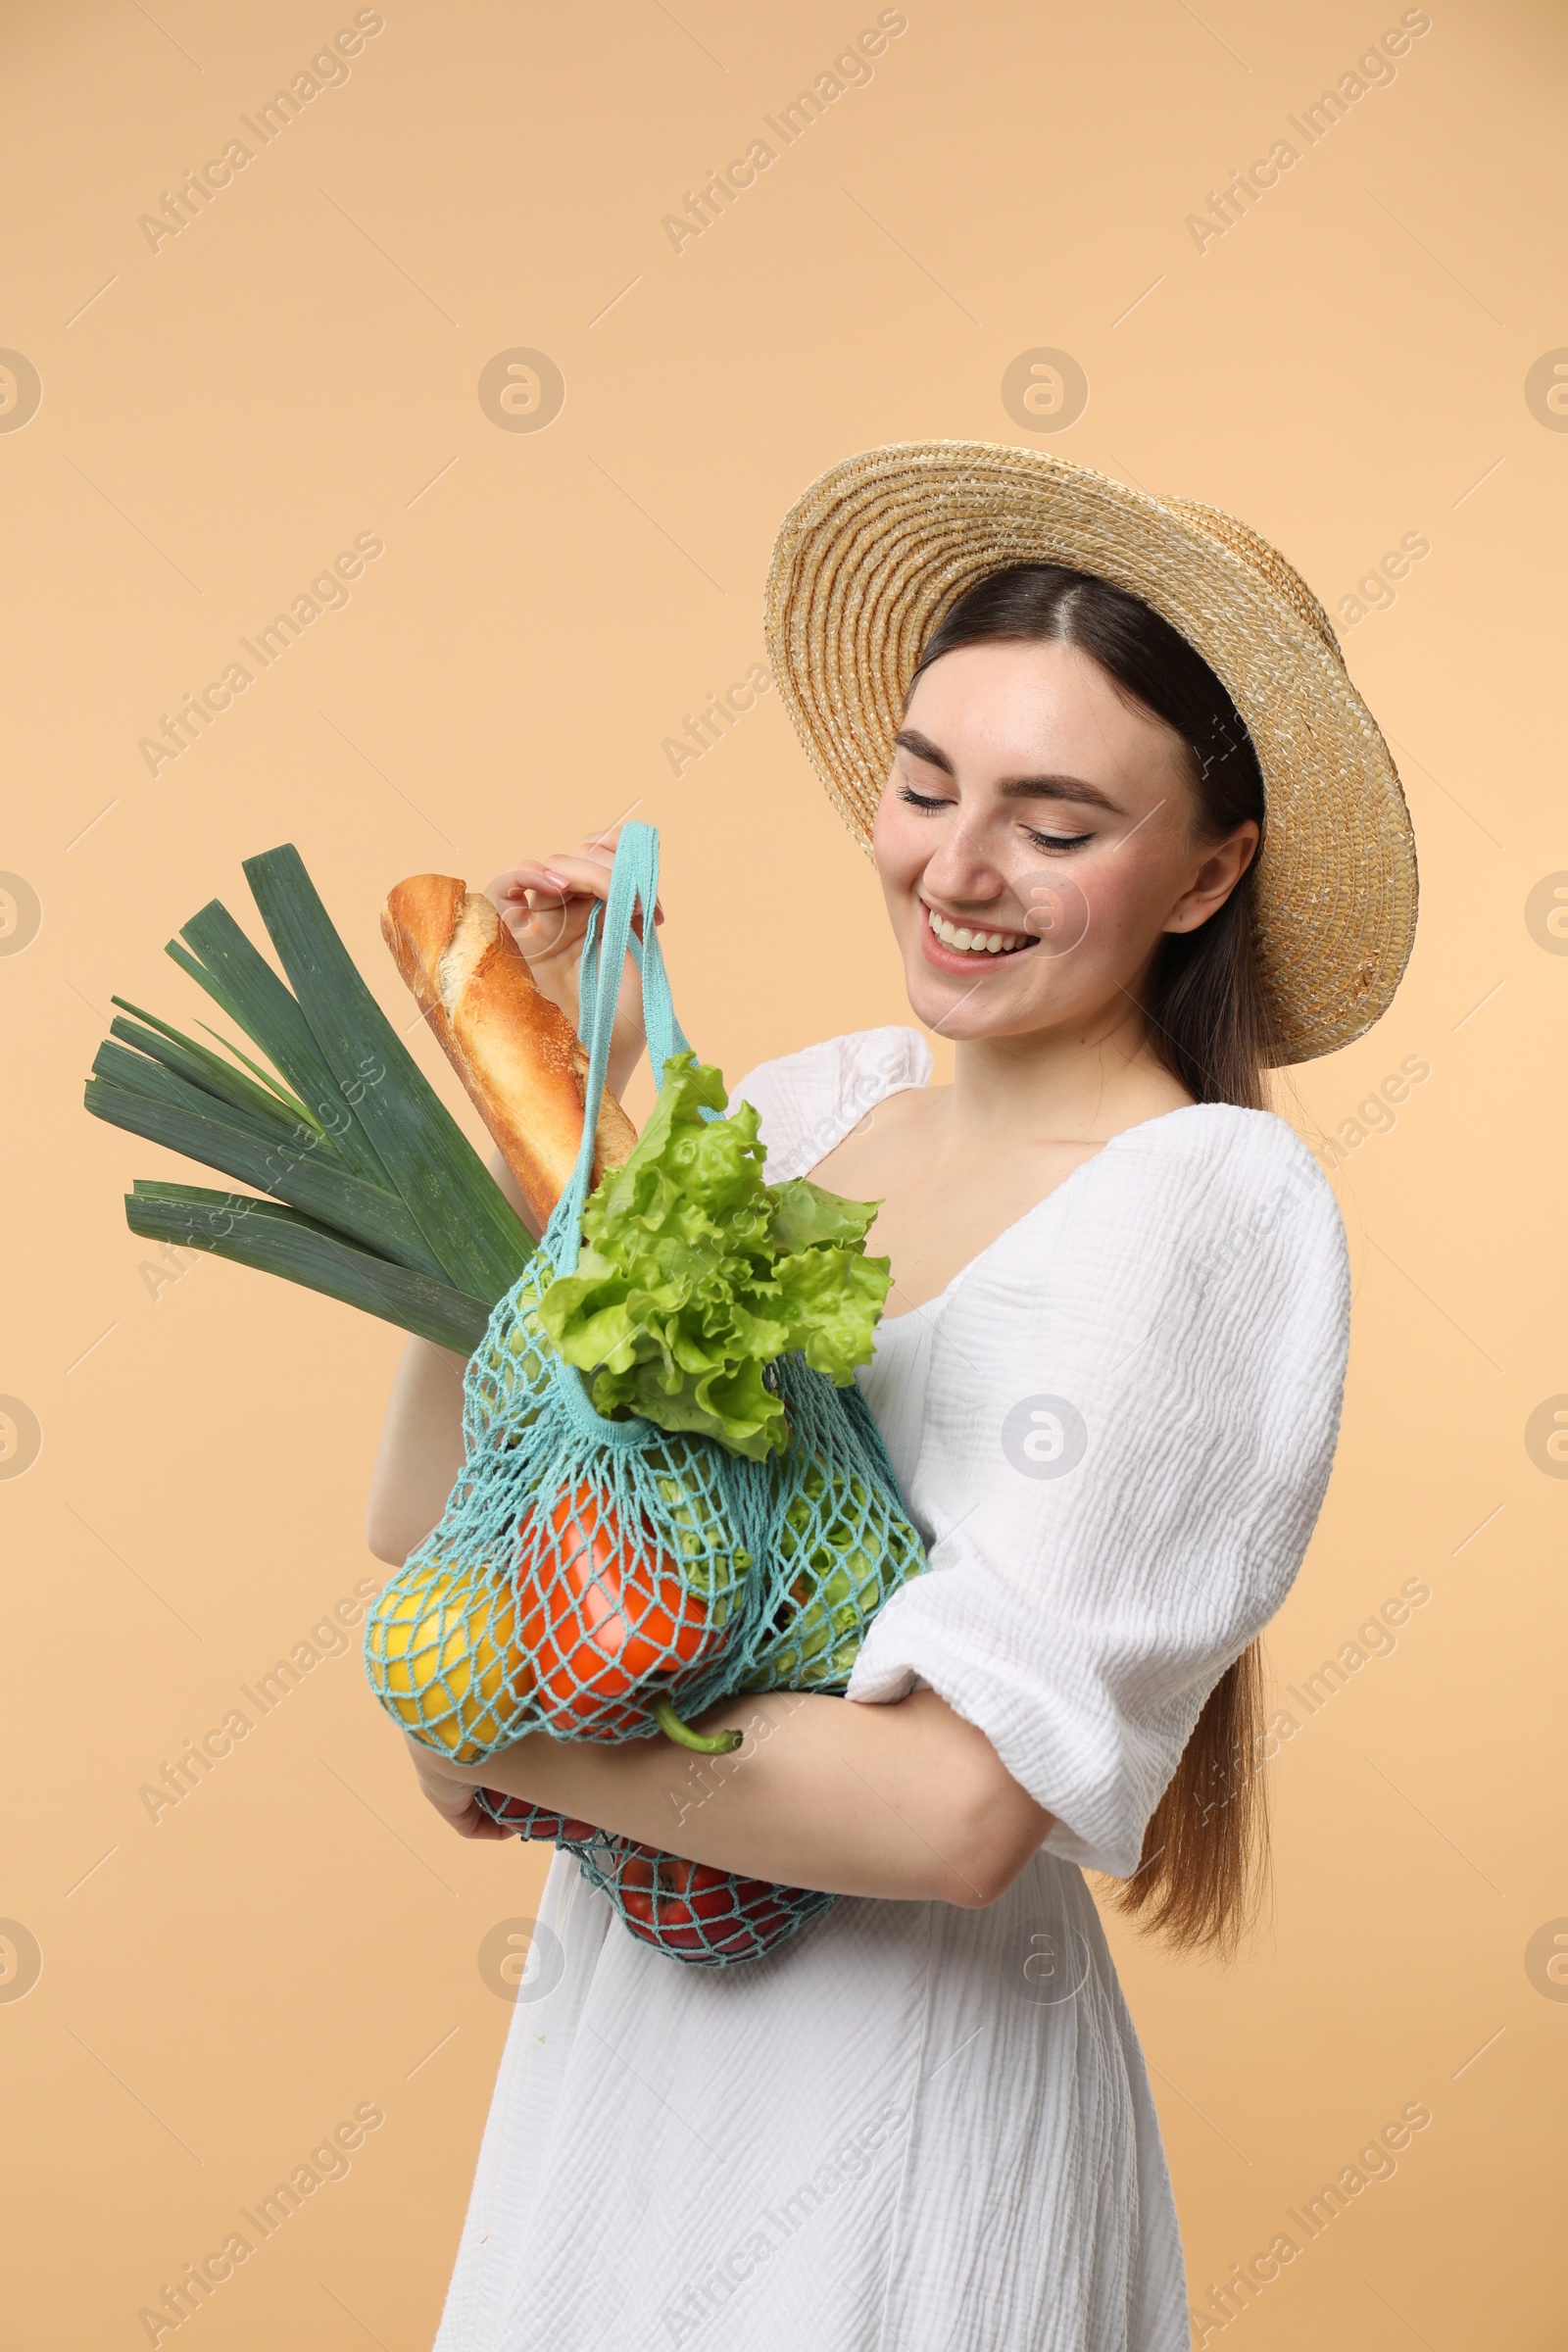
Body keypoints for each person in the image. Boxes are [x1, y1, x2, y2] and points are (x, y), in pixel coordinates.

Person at [365, 442, 1417, 2351]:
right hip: (623, 2076)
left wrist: (468, 1728)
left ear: (1208, 867)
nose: (954, 864)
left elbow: (944, 1811)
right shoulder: (792, 1114)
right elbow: (449, 1534)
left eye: (1055, 819)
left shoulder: (1202, 1206)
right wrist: (560, 1135)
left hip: (889, 2113)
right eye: (924, 787)